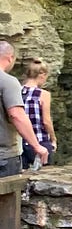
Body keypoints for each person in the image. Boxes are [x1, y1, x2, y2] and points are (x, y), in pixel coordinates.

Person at [0, 43, 37, 177]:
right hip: (4, 156)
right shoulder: (8, 81)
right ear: (10, 58)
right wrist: (37, 146)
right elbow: (17, 115)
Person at [18, 59, 55, 168]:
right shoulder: (44, 94)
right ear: (42, 75)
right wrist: (53, 139)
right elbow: (46, 121)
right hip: (40, 142)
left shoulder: (17, 91)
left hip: (21, 143)